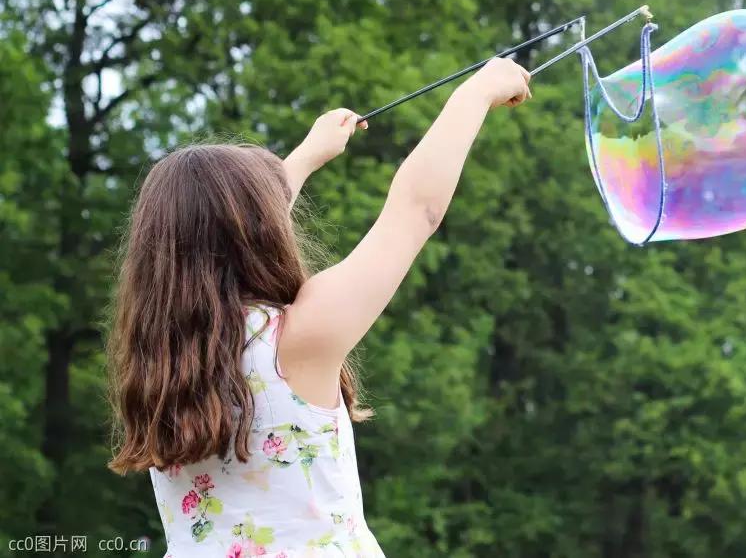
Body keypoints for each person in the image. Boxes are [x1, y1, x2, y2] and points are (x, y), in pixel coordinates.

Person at [106, 58, 532, 557]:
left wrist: (306, 156)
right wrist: (476, 92)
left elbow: (218, 233)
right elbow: (417, 209)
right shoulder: (297, 338)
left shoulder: (162, 363)